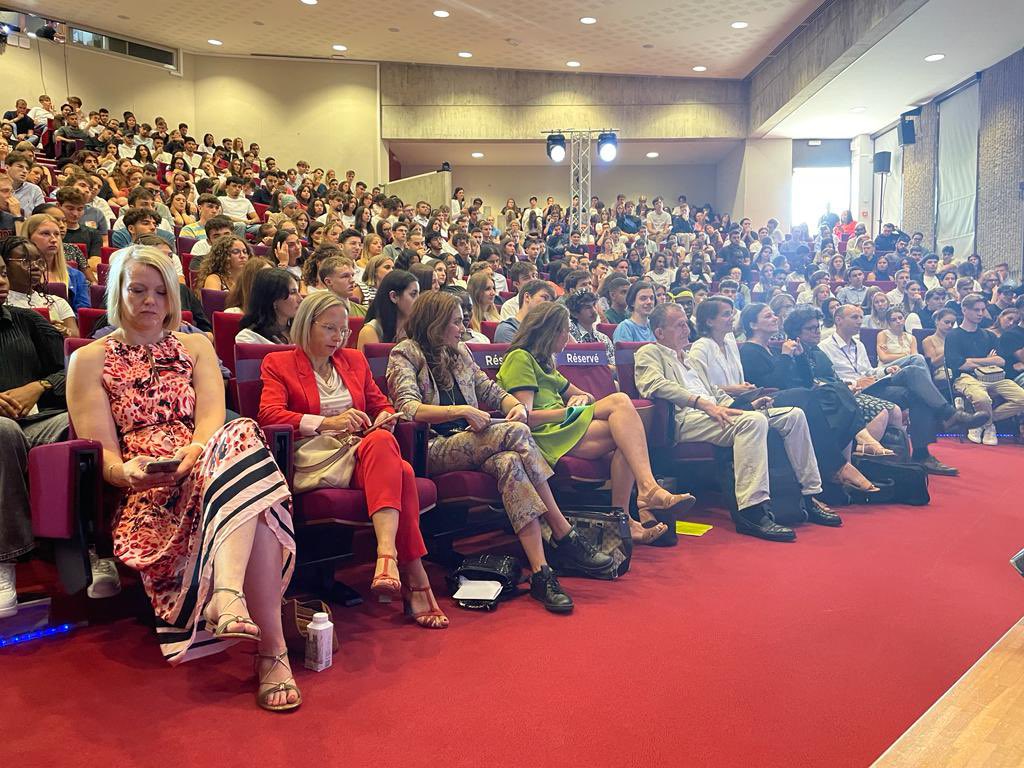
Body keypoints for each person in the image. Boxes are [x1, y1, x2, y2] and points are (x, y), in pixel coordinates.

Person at [66, 246, 298, 711]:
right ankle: (272, 652)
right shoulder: (89, 359)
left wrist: (194, 454)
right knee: (256, 497)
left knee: (240, 435)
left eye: (160, 292)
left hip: (205, 464)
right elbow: (106, 455)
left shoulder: (196, 346)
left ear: (173, 298)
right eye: (137, 290)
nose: (149, 301)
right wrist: (124, 473)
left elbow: (211, 419)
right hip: (149, 493)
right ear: (117, 293)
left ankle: (230, 598)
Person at [387, 291, 614, 611]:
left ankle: (541, 572)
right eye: (455, 322)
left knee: (510, 462)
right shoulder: (405, 353)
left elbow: (492, 391)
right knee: (517, 433)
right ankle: (563, 532)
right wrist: (462, 411)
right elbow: (407, 409)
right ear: (436, 323)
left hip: (471, 442)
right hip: (433, 448)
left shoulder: (459, 352)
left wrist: (515, 407)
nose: (462, 327)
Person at [258, 292, 446, 628]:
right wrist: (328, 422)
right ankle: (411, 574)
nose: (338, 337)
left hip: (360, 454)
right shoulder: (279, 362)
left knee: (383, 441)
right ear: (306, 325)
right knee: (401, 471)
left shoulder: (353, 361)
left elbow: (381, 404)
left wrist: (385, 417)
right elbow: (269, 413)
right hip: (318, 456)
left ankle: (387, 555)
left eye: (343, 330)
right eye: (329, 328)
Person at [634, 303, 832, 542]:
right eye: (680, 325)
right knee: (753, 423)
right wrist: (701, 403)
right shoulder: (649, 352)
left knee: (794, 416)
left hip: (716, 413)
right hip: (686, 418)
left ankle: (810, 495)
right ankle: (751, 511)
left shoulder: (690, 359)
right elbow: (653, 384)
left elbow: (715, 393)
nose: (687, 329)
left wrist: (745, 405)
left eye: (687, 323)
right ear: (660, 332)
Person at [498, 302, 693, 544]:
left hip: (565, 428)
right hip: (546, 436)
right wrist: (569, 411)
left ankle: (623, 519)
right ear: (547, 331)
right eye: (563, 331)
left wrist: (582, 399)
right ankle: (647, 491)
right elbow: (525, 418)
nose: (567, 337)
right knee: (621, 403)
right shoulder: (519, 358)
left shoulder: (544, 363)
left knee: (629, 442)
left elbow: (586, 396)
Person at [821, 304, 987, 475]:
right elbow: (828, 379)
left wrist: (885, 370)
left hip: (873, 384)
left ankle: (922, 453)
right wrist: (855, 382)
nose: (860, 321)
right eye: (854, 317)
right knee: (914, 371)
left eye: (861, 317)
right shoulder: (825, 347)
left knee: (917, 382)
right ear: (838, 320)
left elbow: (868, 371)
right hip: (854, 392)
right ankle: (948, 415)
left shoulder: (859, 344)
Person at [738, 303, 886, 493]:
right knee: (814, 394)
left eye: (774, 314)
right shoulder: (749, 351)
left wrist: (799, 357)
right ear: (752, 325)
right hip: (768, 402)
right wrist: (785, 356)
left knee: (837, 389)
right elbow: (772, 385)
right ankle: (842, 463)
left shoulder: (772, 349)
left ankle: (848, 458)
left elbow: (807, 381)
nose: (775, 318)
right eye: (768, 316)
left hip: (797, 396)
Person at [944, 294, 1024, 445]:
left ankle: (979, 422)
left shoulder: (988, 334)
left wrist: (972, 361)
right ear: (964, 310)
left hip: (994, 377)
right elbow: (959, 365)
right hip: (965, 377)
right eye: (976, 310)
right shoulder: (953, 335)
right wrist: (988, 360)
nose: (980, 313)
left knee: (1022, 398)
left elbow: (1000, 361)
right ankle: (988, 426)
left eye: (982, 309)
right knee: (982, 397)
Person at [0, 237, 78, 337]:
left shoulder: (57, 302)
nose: (36, 266)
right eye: (26, 261)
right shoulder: (2, 305)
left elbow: (76, 339)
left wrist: (63, 332)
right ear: (5, 265)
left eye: (39, 261)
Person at [23, 212, 90, 311]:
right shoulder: (18, 275)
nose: (54, 239)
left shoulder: (76, 276)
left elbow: (82, 314)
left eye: (57, 234)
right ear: (28, 237)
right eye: (45, 234)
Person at [356, 268, 419, 351]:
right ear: (394, 296)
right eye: (413, 294)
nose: (418, 300)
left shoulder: (416, 328)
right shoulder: (370, 331)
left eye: (419, 294)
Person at [236, 268, 302, 344]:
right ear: (273, 299)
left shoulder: (302, 332)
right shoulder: (248, 337)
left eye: (298, 291)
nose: (300, 299)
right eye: (293, 292)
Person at [494, 279, 554, 343]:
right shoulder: (507, 330)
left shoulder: (545, 329)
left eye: (551, 301)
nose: (549, 304)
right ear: (527, 297)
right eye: (545, 297)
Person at [566, 290, 615, 363]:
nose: (594, 311)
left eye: (594, 305)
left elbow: (615, 368)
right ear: (574, 314)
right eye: (587, 307)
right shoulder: (568, 338)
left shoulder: (604, 338)